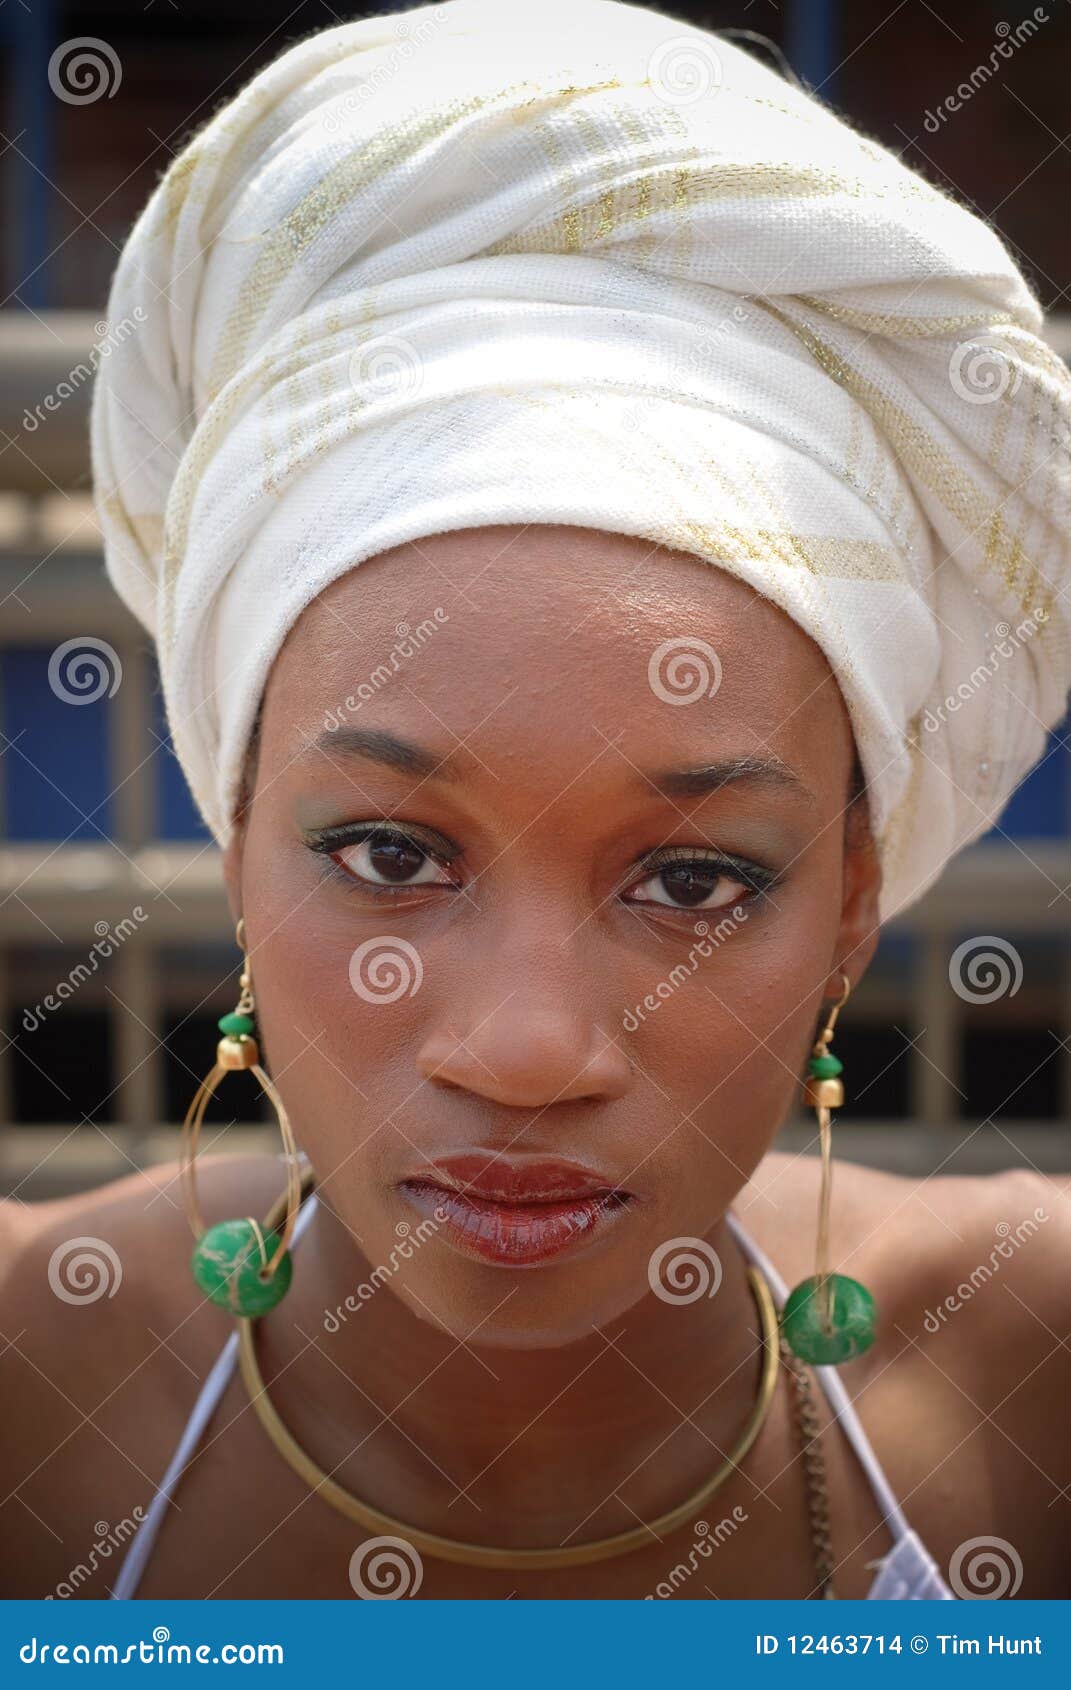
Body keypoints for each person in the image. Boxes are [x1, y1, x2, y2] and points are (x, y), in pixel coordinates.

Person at [2, 0, 1070, 1601]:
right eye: (389, 850)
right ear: (235, 838)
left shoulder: (1029, 1373)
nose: (527, 1050)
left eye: (693, 880)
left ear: (852, 897)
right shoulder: (28, 1391)